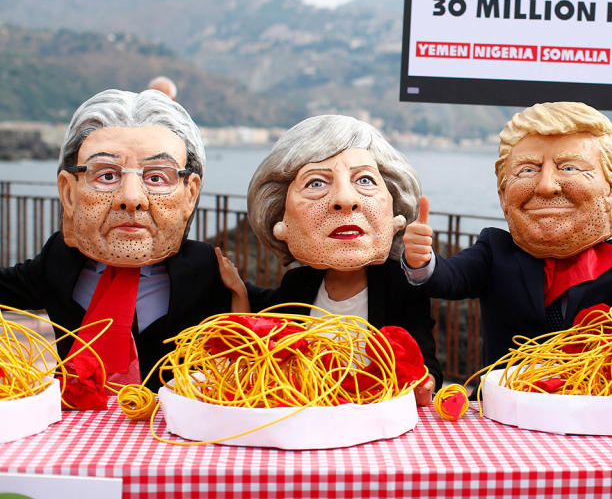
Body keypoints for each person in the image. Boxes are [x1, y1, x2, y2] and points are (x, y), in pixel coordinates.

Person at [401, 101, 612, 370]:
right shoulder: (495, 251)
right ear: (503, 194)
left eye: (569, 167)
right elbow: (451, 276)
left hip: (593, 406)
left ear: (611, 191)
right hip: (507, 408)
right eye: (528, 170)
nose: (546, 186)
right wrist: (420, 260)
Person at [0, 89, 241, 395]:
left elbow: (279, 316)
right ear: (69, 192)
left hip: (169, 422)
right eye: (107, 175)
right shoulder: (59, 259)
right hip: (77, 419)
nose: (131, 198)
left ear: (189, 194)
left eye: (156, 178)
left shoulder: (204, 267)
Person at [218, 115, 442, 406]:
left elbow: (425, 362)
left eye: (364, 180)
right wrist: (237, 289)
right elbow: (258, 337)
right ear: (281, 220)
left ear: (395, 212)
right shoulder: (298, 285)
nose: (345, 199)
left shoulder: (400, 286)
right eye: (315, 183)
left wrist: (425, 383)